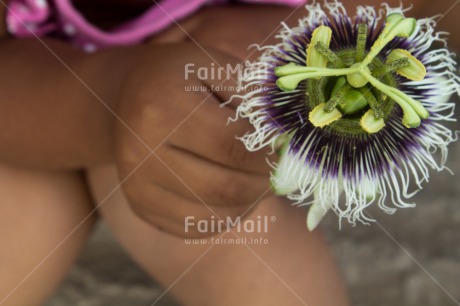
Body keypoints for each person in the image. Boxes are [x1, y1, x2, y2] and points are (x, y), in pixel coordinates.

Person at [0, 0, 457, 305]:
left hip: (225, 125)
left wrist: (308, 25)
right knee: (27, 221)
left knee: (243, 245)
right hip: (38, 89)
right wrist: (108, 105)